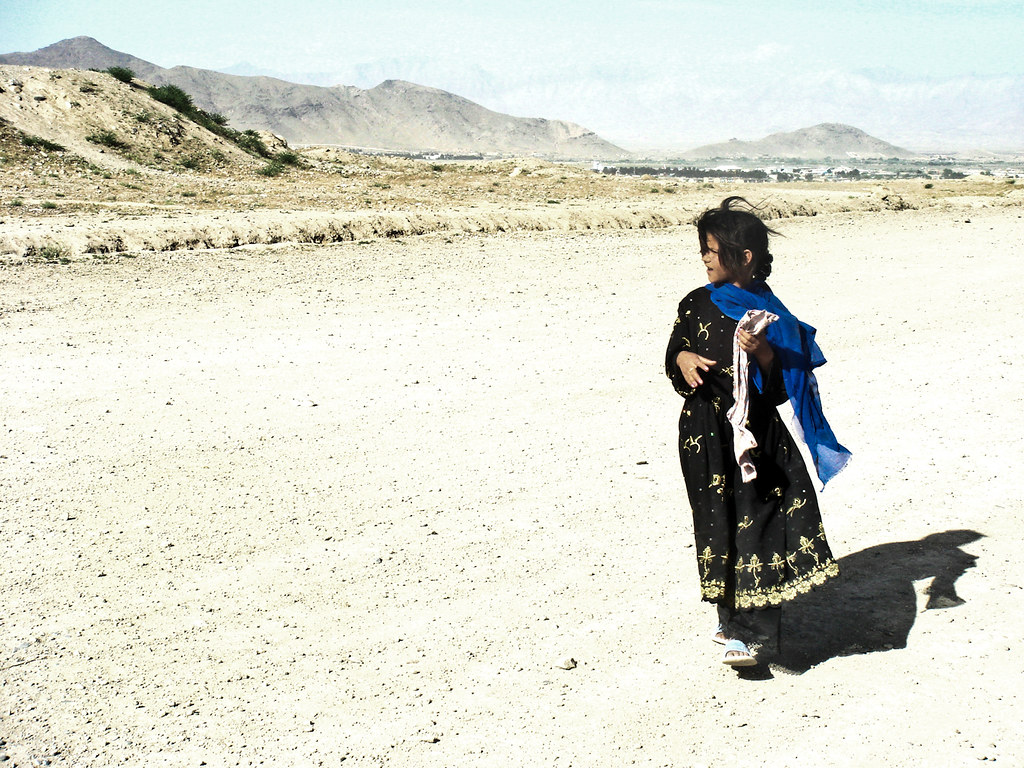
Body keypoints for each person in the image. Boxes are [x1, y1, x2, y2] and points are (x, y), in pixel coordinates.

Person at [665, 197, 850, 667]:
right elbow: (675, 352)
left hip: (757, 435)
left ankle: (752, 634)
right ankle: (729, 620)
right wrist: (683, 360)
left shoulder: (771, 315)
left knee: (762, 525)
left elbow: (784, 388)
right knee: (717, 521)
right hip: (704, 436)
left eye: (711, 249)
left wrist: (764, 352)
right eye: (702, 249)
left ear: (743, 257)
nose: (704, 257)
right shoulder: (694, 302)